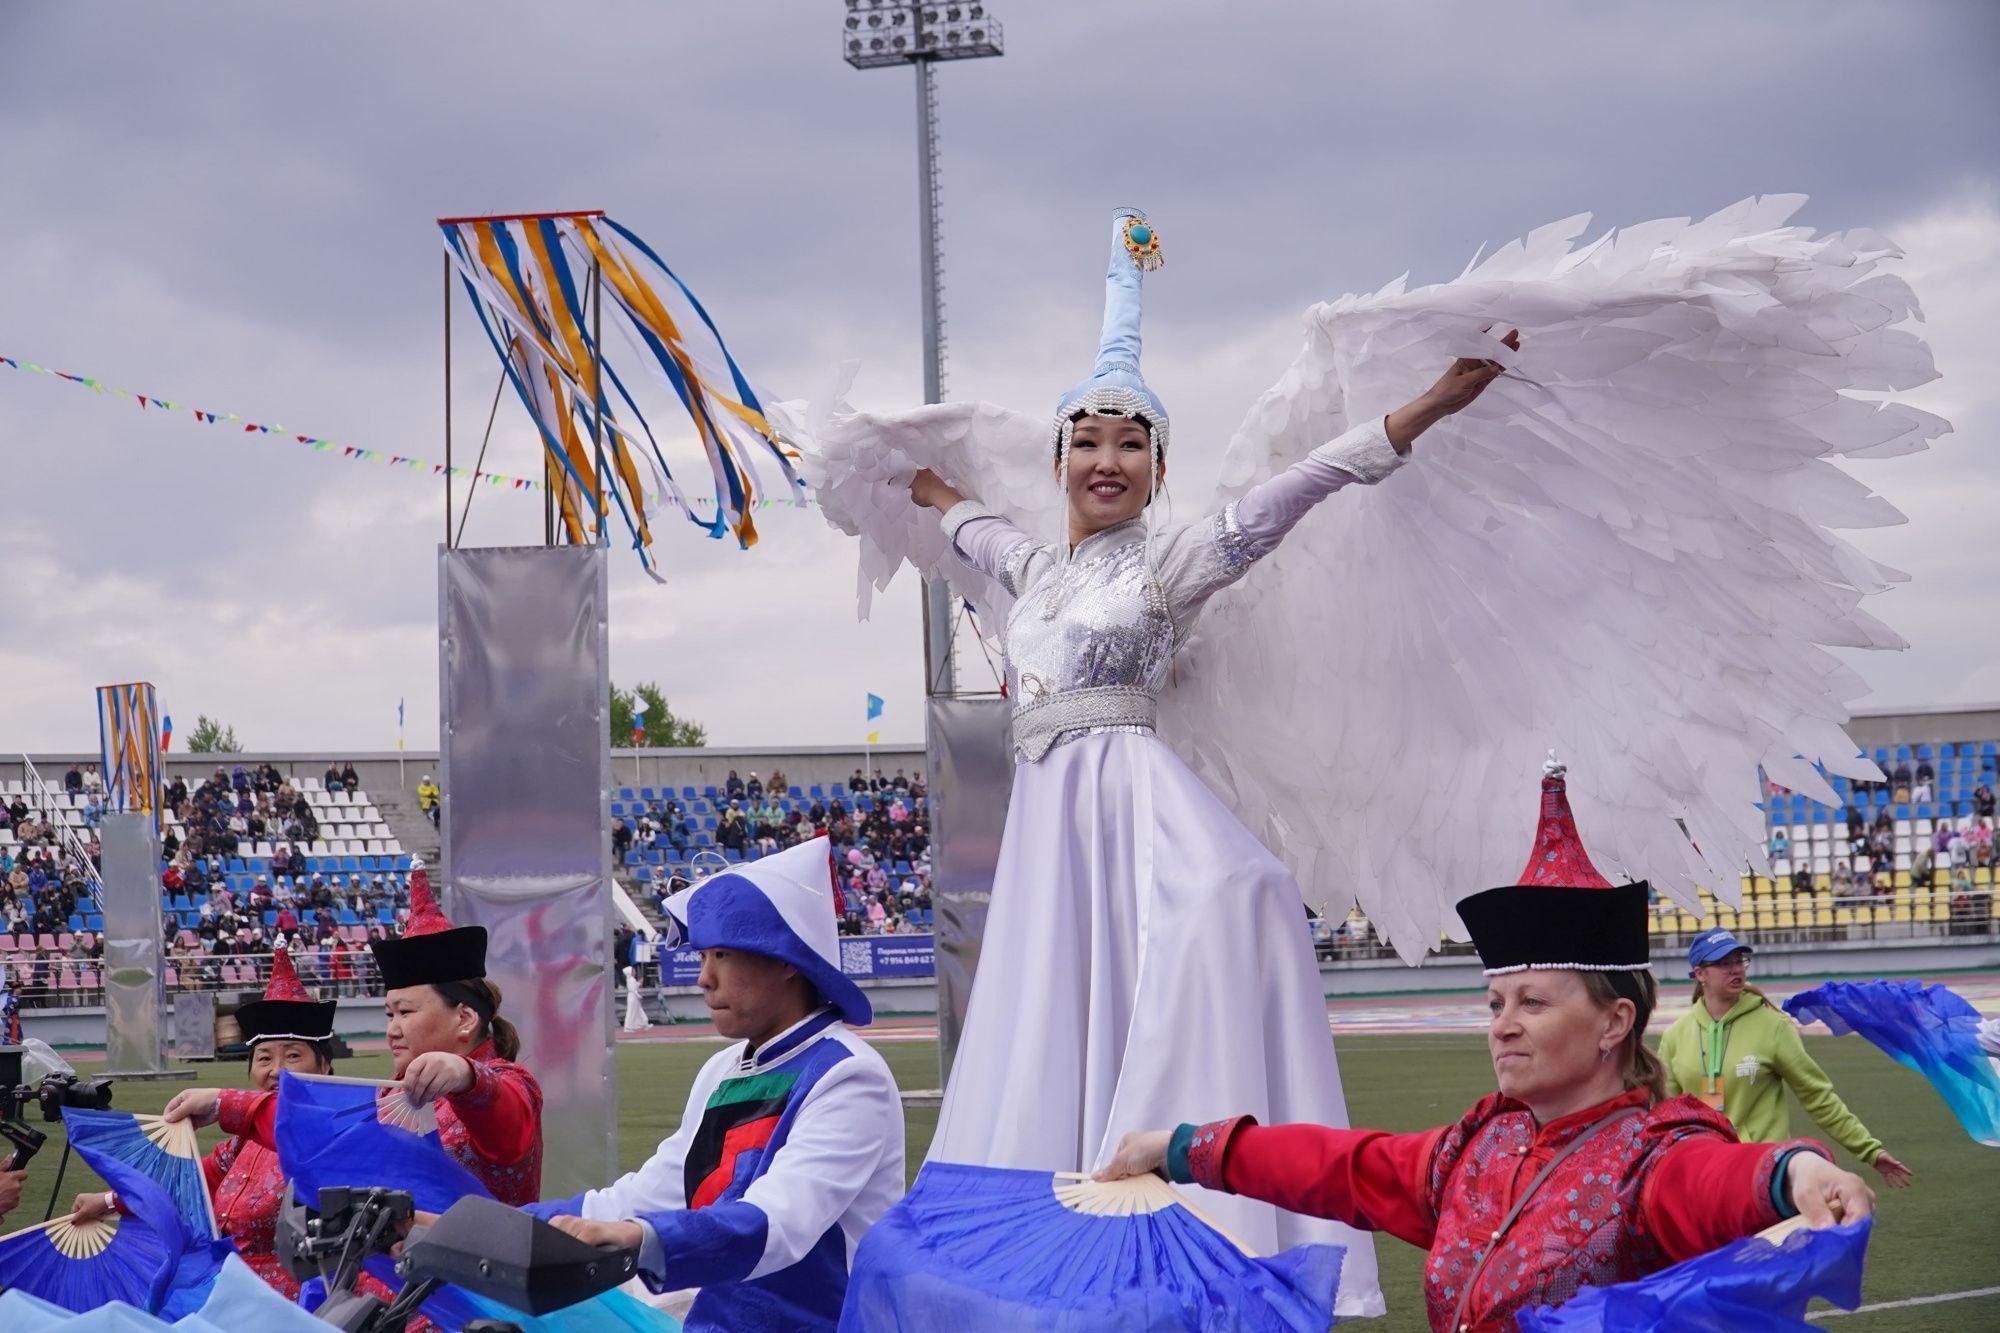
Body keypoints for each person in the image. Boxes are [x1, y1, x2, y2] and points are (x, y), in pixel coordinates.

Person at [880, 209, 1514, 1299]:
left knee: (1238, 893)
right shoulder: (1029, 569)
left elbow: (1296, 489)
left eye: (1130, 443)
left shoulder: (1168, 564)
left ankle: (1204, 1184)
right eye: (1087, 440)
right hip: (1048, 832)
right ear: (1061, 459)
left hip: (1130, 797)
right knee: (1049, 1017)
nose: (1106, 458)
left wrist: (1423, 411)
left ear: (1157, 467)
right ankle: (1062, 1240)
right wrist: (927, 490)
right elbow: (964, 522)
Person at [1098, 761, 1877, 1333]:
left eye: (1533, 1002)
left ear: (1615, 1024)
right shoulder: (1477, 1147)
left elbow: (1716, 1178)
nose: (1502, 1022)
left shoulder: (1652, 1155)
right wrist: (1182, 1146)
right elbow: (1341, 1166)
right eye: (1496, 1001)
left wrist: (1795, 1168)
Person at [521, 838, 904, 1331]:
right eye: (703, 956)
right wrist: (506, 1224)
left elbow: (776, 1223)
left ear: (788, 958)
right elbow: (649, 1193)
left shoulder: (849, 1075)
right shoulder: (724, 1069)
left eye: (721, 953)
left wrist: (637, 1236)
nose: (704, 978)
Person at [166, 859, 542, 1204]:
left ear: (464, 1019)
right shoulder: (393, 1096)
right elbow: (326, 1133)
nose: (392, 1030)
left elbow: (505, 1112)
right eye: (388, 1014)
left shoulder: (511, 1084)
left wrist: (467, 1076)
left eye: (405, 1012)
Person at [74, 945, 338, 1297]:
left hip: (292, 1307)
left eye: (293, 1056)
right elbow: (186, 1187)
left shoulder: (336, 1135)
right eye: (264, 1058)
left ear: (324, 1067)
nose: (276, 1071)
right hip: (224, 1291)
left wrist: (221, 1102)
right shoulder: (244, 1143)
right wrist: (108, 1202)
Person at [1659, 928, 1912, 1190]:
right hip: (1706, 1176)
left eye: (1739, 961)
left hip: (1763, 1172)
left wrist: (1869, 1150)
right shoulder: (1674, 1036)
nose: (1736, 970)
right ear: (1700, 974)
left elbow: (1818, 1097)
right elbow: (1667, 1118)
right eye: (1724, 963)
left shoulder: (1774, 1026)